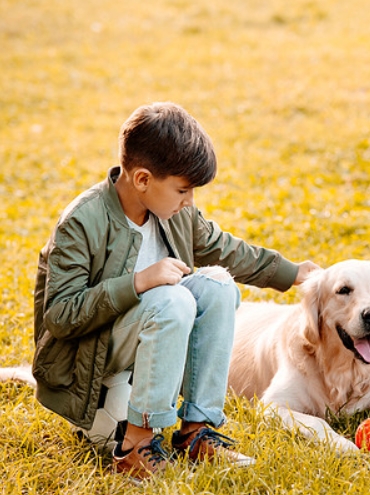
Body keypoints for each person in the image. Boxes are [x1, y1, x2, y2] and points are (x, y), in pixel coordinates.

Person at [32, 102, 320, 480]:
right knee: (172, 297)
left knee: (217, 285)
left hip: (147, 340)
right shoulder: (82, 222)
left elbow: (225, 249)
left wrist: (291, 272)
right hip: (90, 353)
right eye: (183, 190)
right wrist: (138, 282)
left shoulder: (176, 212)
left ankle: (196, 432)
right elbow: (62, 315)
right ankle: (136, 446)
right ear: (142, 180)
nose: (190, 201)